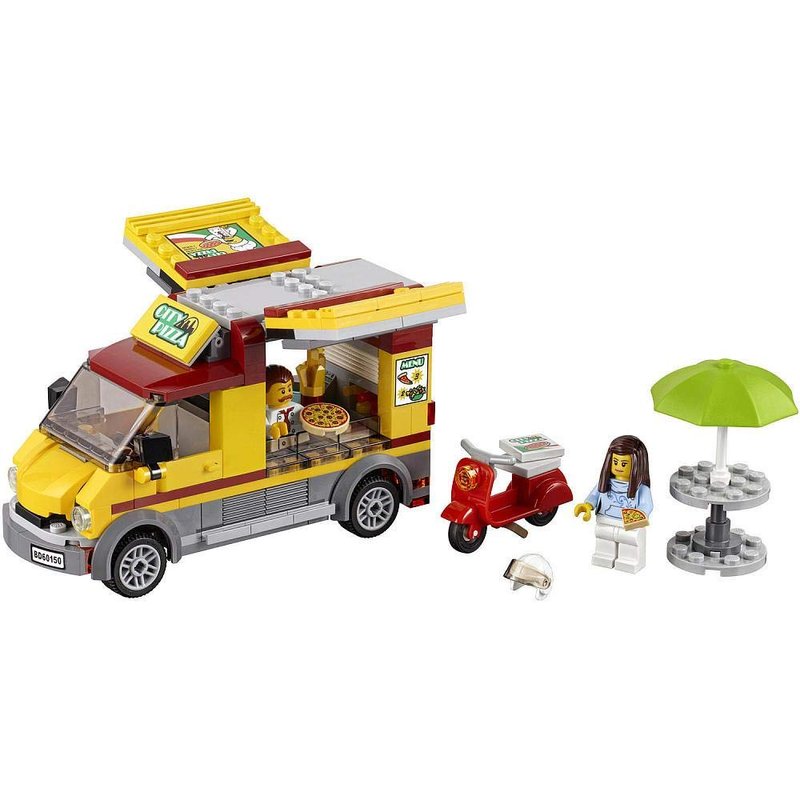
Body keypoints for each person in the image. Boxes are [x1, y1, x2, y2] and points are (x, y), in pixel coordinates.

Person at [574, 435, 652, 574]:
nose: (619, 467)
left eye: (624, 464)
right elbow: (595, 495)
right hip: (605, 520)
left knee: (630, 543)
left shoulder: (641, 489)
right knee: (604, 540)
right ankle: (604, 556)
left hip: (628, 525)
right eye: (615, 462)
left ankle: (629, 561)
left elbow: (647, 505)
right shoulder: (605, 483)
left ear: (637, 464)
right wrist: (587, 506)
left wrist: (638, 516)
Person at [265, 364, 301, 440]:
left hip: (299, 439)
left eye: (289, 389)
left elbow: (306, 417)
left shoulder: (298, 408)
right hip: (275, 443)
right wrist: (271, 430)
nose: (287, 394)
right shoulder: (265, 414)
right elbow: (264, 427)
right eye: (283, 391)